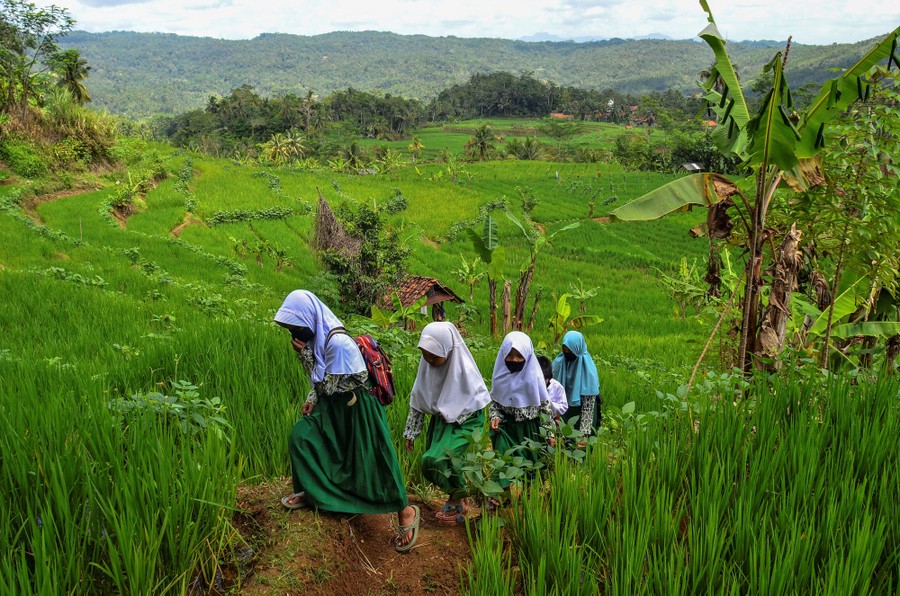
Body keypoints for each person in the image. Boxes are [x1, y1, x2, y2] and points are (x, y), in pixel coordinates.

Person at [275, 290, 420, 553]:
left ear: (311, 320)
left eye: (296, 327)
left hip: (358, 408)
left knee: (376, 458)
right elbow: (321, 379)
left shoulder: (338, 342)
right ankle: (311, 490)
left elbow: (330, 384)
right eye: (289, 329)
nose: (294, 334)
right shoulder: (318, 337)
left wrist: (304, 356)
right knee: (302, 436)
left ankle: (405, 511)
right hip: (333, 405)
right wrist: (312, 397)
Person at [404, 321, 490, 525]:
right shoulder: (426, 365)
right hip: (442, 421)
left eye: (434, 356)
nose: (429, 360)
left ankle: (458, 498)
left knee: (438, 459)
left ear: (449, 351)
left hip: (466, 420)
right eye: (425, 354)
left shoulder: (464, 370)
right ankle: (458, 496)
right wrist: (411, 432)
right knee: (432, 463)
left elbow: (475, 401)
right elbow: (418, 399)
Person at [489, 332, 552, 466]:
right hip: (506, 427)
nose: (514, 360)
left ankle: (529, 488)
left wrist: (548, 433)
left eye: (519, 356)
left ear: (527, 356)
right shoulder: (500, 376)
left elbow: (545, 408)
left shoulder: (534, 378)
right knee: (502, 467)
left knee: (530, 469)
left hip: (529, 429)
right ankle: (504, 488)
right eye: (509, 355)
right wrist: (495, 416)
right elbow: (495, 402)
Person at [552, 330, 601, 437]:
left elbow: (588, 406)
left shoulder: (588, 370)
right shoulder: (559, 362)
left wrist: (583, 434)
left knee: (582, 447)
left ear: (578, 349)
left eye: (569, 350)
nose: (566, 352)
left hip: (582, 414)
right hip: (563, 411)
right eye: (564, 349)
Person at [537, 355, 568, 421]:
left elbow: (563, 407)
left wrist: (549, 404)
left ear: (549, 377)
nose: (541, 383)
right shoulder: (531, 386)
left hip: (551, 419)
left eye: (544, 379)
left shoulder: (557, 387)